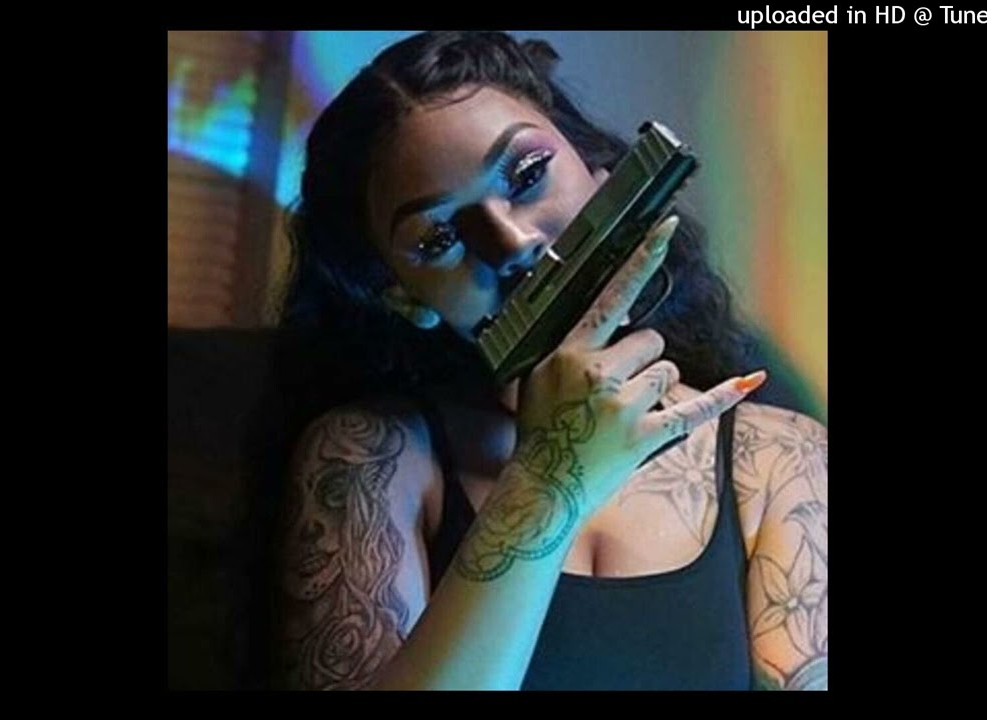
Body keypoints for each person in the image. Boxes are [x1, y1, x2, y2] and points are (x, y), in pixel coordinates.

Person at [270, 31, 827, 690]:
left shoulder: (780, 458)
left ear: (597, 171)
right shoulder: (370, 460)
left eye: (528, 175)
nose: (511, 243)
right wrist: (548, 477)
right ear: (403, 295)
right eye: (439, 237)